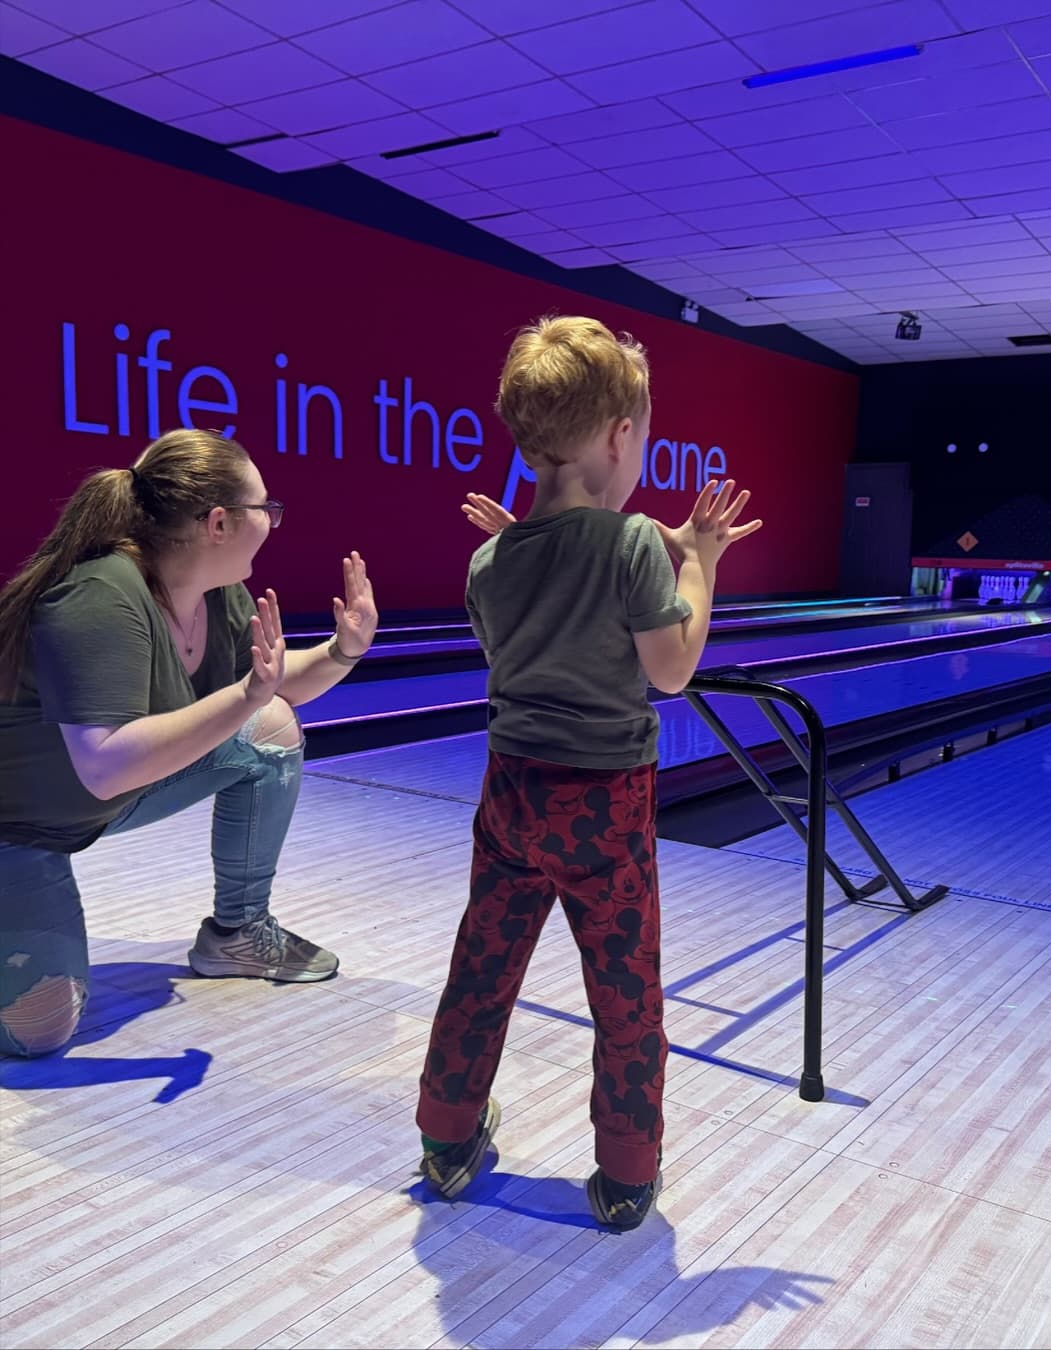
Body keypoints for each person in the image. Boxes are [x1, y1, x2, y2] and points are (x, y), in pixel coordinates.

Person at [416, 316, 762, 1229]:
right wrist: (703, 562)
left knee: (481, 968)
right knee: (624, 991)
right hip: (603, 808)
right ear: (619, 436)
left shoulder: (489, 559)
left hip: (509, 795)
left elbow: (513, 637)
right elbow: (671, 666)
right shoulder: (634, 547)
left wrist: (528, 550)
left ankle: (448, 1139)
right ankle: (624, 1174)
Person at [0, 428, 377, 1058]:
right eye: (267, 508)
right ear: (220, 523)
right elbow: (104, 764)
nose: (274, 522)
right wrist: (246, 697)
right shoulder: (101, 595)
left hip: (89, 806)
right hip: (19, 828)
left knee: (270, 730)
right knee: (38, 1032)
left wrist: (345, 650)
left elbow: (269, 688)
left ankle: (237, 935)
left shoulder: (212, 594)